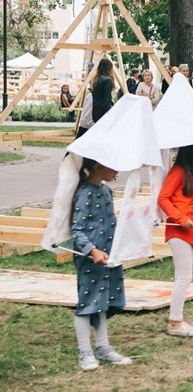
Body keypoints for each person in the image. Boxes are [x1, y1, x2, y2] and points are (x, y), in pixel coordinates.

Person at [71, 157, 132, 370]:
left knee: (103, 301)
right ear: (99, 166)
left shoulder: (106, 191)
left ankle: (103, 347)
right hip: (91, 260)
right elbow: (77, 230)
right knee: (88, 303)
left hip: (110, 256)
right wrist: (92, 250)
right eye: (113, 166)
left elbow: (110, 221)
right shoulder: (84, 194)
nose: (117, 171)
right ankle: (85, 351)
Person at [158, 144, 193, 337]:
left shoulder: (192, 173)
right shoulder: (178, 171)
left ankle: (177, 319)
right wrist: (180, 218)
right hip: (179, 230)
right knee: (184, 277)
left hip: (191, 229)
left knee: (185, 276)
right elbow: (163, 198)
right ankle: (175, 323)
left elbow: (190, 202)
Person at [91, 58, 114, 123]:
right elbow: (107, 101)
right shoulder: (107, 80)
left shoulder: (95, 80)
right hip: (103, 112)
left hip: (95, 111)